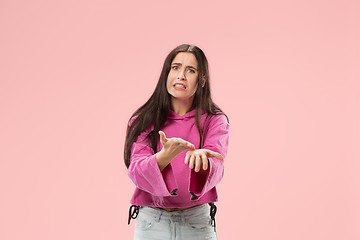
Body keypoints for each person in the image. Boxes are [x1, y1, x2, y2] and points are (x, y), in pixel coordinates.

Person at [124, 43, 230, 240]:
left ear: (202, 79)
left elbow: (217, 166)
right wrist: (165, 156)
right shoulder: (143, 119)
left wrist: (203, 160)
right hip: (151, 222)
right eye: (175, 67)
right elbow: (136, 171)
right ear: (166, 73)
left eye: (191, 70)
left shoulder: (215, 120)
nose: (181, 75)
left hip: (197, 222)